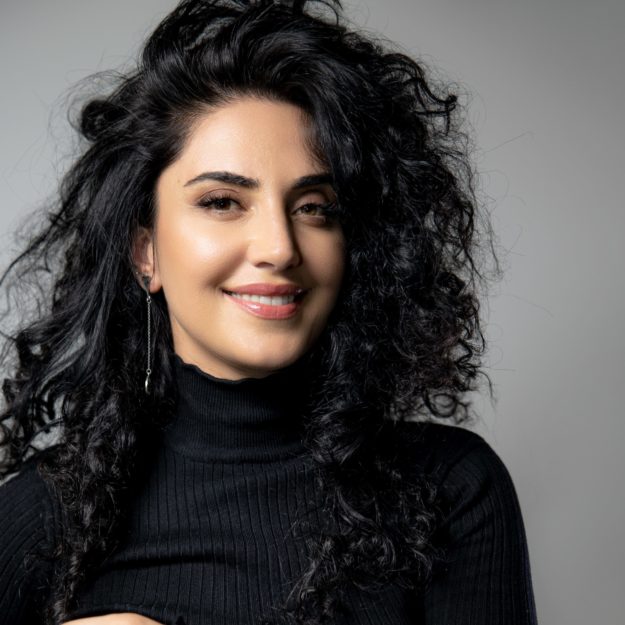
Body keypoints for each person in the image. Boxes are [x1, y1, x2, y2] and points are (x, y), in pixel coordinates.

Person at [0, 1, 538, 624]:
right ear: (146, 252)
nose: (280, 248)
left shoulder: (449, 487)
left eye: (314, 208)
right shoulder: (45, 515)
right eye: (223, 201)